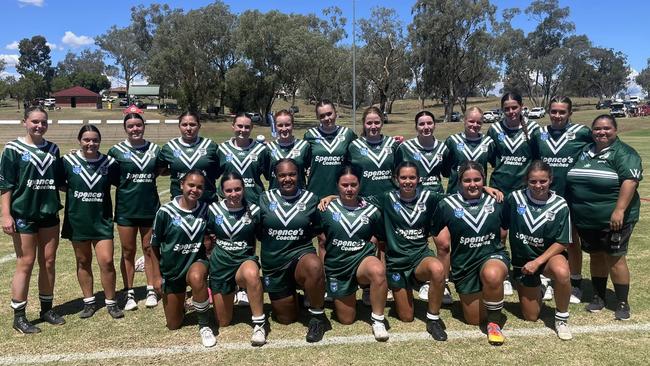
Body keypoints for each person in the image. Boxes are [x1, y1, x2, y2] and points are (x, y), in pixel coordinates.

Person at [566, 114, 642, 321]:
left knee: (615, 258)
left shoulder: (624, 153)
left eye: (607, 128)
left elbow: (630, 181)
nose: (602, 132)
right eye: (597, 128)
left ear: (615, 130)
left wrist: (619, 210)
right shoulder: (584, 151)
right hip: (586, 218)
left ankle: (622, 301)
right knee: (596, 255)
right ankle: (599, 296)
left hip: (613, 218)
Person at [0, 106, 65, 333]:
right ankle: (19, 316)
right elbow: (5, 184)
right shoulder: (13, 149)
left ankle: (46, 309)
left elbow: (59, 181)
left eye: (43, 122)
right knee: (25, 262)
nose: (39, 126)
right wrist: (5, 214)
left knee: (48, 261)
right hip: (24, 214)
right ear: (24, 122)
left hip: (49, 214)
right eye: (35, 121)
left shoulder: (53, 149)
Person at [431, 161, 510, 346]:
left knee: (491, 274)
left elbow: (503, 231)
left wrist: (487, 189)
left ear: (484, 180)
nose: (472, 184)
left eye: (477, 179)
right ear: (459, 182)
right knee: (474, 319)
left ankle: (494, 323)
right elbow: (440, 242)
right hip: (465, 265)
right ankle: (489, 293)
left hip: (492, 256)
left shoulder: (496, 201)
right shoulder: (446, 205)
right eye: (467, 180)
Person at [374, 161, 448, 341]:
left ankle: (433, 319)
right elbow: (356, 200)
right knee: (407, 317)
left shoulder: (429, 197)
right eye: (404, 177)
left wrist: (484, 188)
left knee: (438, 269)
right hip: (397, 262)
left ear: (419, 179)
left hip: (420, 257)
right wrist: (331, 198)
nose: (408, 181)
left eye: (412, 177)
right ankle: (408, 287)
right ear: (396, 179)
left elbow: (456, 197)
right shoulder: (386, 197)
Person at [502, 161, 573, 340]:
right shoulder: (515, 198)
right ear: (526, 180)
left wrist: (538, 262)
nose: (538, 186)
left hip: (547, 259)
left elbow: (562, 242)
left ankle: (562, 318)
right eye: (533, 181)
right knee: (531, 316)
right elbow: (502, 224)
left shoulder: (560, 205)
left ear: (550, 180)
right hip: (523, 264)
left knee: (562, 272)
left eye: (543, 181)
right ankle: (540, 288)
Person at [530, 96, 591, 304]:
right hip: (545, 195)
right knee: (544, 238)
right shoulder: (540, 133)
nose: (557, 116)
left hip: (571, 196)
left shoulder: (582, 132)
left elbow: (596, 150)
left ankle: (575, 282)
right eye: (553, 111)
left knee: (572, 239)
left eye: (562, 112)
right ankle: (547, 279)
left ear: (570, 113)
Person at [258, 158, 326, 343]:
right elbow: (257, 232)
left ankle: (318, 318)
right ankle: (298, 294)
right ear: (275, 176)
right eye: (282, 175)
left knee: (313, 266)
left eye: (292, 174)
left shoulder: (310, 199)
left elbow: (320, 232)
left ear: (299, 175)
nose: (287, 179)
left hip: (300, 256)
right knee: (286, 319)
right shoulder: (265, 199)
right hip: (275, 264)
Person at [318, 166, 389, 341]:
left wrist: (378, 263)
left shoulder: (372, 209)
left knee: (377, 270)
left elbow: (380, 240)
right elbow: (321, 241)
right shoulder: (326, 209)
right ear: (337, 185)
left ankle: (378, 319)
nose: (349, 189)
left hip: (362, 261)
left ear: (359, 185)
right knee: (346, 319)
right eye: (344, 185)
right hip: (338, 266)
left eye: (353, 185)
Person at [61, 125, 123, 319]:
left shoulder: (109, 162)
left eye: (95, 140)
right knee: (83, 261)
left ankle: (111, 302)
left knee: (106, 261)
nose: (91, 143)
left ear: (100, 141)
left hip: (101, 220)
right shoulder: (68, 161)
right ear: (80, 140)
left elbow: (120, 182)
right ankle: (89, 303)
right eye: (86, 139)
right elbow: (59, 183)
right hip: (77, 219)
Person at [150, 169, 215, 347]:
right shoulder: (165, 212)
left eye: (199, 187)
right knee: (173, 324)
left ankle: (204, 324)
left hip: (197, 262)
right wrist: (156, 276)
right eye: (191, 185)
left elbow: (212, 236)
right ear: (181, 185)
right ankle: (183, 304)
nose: (195, 190)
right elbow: (153, 246)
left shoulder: (205, 210)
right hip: (172, 269)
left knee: (196, 276)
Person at [107, 107, 161, 310]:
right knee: (128, 251)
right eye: (130, 126)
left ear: (144, 126)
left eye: (138, 125)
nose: (135, 129)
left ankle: (150, 290)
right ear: (125, 128)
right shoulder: (116, 151)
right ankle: (129, 293)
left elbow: (159, 171)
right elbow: (112, 178)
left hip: (150, 208)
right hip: (126, 209)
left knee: (149, 249)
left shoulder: (155, 149)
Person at [487, 93, 540, 296]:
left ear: (521, 107)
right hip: (500, 188)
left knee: (523, 234)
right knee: (500, 234)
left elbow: (537, 159)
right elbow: (491, 157)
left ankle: (524, 273)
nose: (510, 112)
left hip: (523, 190)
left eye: (514, 107)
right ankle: (504, 274)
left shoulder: (534, 129)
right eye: (506, 108)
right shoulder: (495, 129)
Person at [207, 172, 266, 346]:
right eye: (229, 190)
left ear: (244, 189)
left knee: (251, 272)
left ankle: (259, 325)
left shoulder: (254, 210)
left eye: (238, 189)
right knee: (223, 322)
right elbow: (206, 238)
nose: (234, 194)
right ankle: (230, 293)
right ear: (222, 191)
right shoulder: (213, 210)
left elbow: (263, 236)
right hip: (220, 265)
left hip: (243, 263)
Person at [158, 112, 219, 202]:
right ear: (179, 126)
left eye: (192, 124)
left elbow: (217, 172)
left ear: (199, 126)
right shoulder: (169, 148)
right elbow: (162, 171)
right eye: (184, 125)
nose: (188, 128)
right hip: (179, 204)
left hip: (207, 203)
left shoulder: (210, 146)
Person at [304, 100, 357, 198]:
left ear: (335, 113)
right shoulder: (310, 135)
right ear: (318, 117)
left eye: (329, 114)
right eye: (322, 116)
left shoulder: (347, 134)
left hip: (341, 193)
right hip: (316, 192)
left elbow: (362, 150)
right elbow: (303, 161)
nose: (327, 118)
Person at [217, 113, 270, 205]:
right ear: (233, 126)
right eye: (240, 126)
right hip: (229, 202)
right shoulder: (222, 149)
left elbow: (270, 175)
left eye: (247, 127)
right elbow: (214, 175)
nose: (243, 130)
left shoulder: (261, 150)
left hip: (254, 201)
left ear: (252, 128)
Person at [348, 106, 399, 197]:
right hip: (365, 199)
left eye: (377, 122)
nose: (373, 126)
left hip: (390, 198)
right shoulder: (354, 146)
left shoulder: (392, 144)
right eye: (369, 123)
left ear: (382, 123)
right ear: (364, 124)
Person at [442, 106, 495, 195]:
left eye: (478, 122)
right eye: (471, 121)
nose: (475, 125)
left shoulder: (488, 142)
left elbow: (495, 164)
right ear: (464, 120)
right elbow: (445, 171)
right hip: (455, 193)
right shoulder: (452, 141)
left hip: (479, 194)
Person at [395, 111, 448, 194]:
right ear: (416, 127)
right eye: (421, 124)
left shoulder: (443, 148)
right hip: (414, 196)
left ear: (435, 125)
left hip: (437, 196)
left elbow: (446, 173)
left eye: (429, 123)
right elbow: (395, 173)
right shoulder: (405, 147)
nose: (426, 127)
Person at [267, 109, 310, 190]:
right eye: (280, 125)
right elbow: (267, 174)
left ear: (293, 125)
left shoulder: (304, 146)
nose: (284, 129)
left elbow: (309, 170)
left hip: (299, 197)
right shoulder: (269, 148)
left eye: (287, 125)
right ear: (275, 126)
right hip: (276, 197)